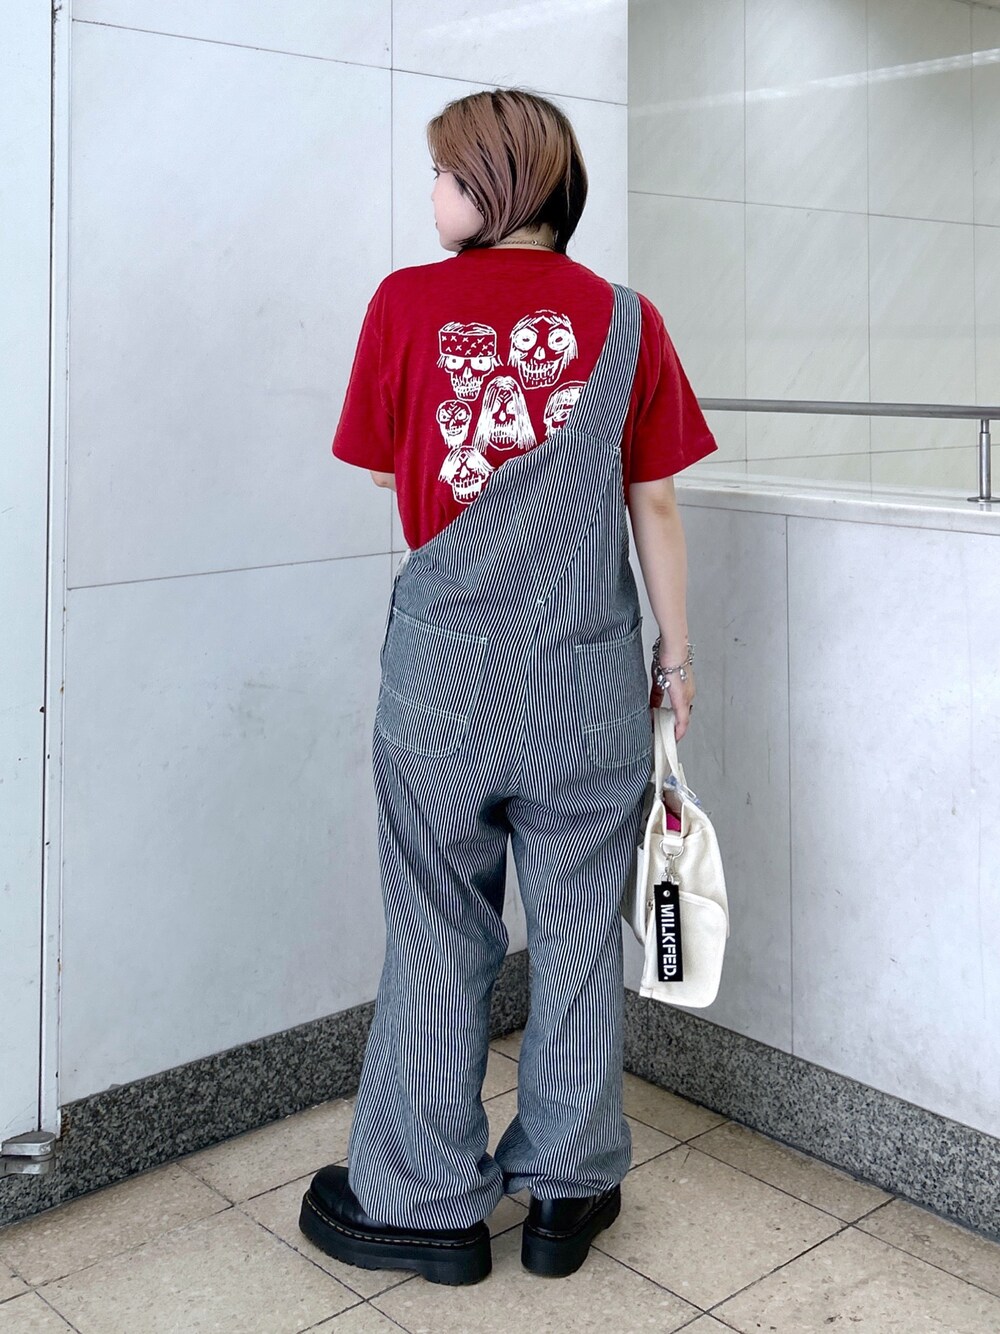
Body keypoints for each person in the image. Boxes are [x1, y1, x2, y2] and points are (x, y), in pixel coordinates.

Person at [299, 88, 716, 1286]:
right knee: (580, 930)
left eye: (442, 172)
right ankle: (566, 1191)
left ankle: (424, 1204)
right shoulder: (627, 318)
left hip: (446, 673)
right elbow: (654, 502)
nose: (431, 192)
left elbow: (384, 473)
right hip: (587, 676)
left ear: (490, 183)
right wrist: (675, 658)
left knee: (439, 924)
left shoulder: (404, 303)